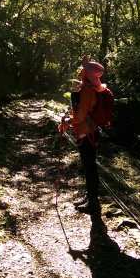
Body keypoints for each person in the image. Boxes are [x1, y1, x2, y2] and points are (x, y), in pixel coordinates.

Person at [59, 55, 106, 217]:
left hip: (87, 132)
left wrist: (68, 122)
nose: (80, 71)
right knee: (89, 166)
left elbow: (80, 115)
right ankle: (90, 196)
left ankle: (93, 202)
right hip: (88, 131)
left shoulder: (86, 90)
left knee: (90, 167)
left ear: (88, 74)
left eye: (84, 69)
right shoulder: (90, 88)